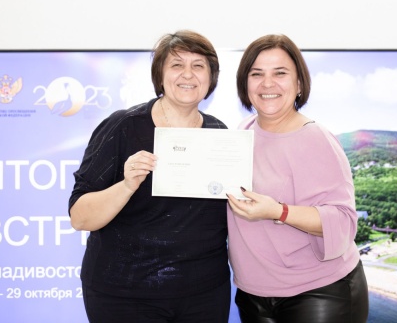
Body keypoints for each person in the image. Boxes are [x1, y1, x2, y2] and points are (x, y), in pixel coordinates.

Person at [69, 30, 231, 323]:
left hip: (204, 295)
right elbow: (80, 218)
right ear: (160, 75)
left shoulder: (220, 135)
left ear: (211, 77)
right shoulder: (123, 127)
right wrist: (127, 185)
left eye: (198, 65)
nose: (188, 74)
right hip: (123, 296)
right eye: (177, 64)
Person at [226, 34, 369, 323]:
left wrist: (278, 211)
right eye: (257, 74)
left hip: (319, 293)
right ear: (245, 83)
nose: (267, 84)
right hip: (253, 293)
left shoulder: (316, 138)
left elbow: (343, 222)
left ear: (300, 84)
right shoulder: (243, 131)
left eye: (280, 73)